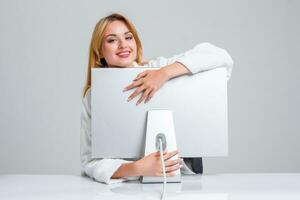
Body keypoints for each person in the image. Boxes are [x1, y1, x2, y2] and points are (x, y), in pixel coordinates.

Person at [81, 13, 234, 184]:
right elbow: (90, 161)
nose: (123, 45)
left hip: (184, 177)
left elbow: (221, 56)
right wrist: (138, 168)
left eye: (128, 37)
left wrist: (164, 73)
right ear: (99, 51)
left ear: (136, 43)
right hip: (127, 188)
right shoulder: (94, 96)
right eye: (112, 40)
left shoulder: (157, 68)